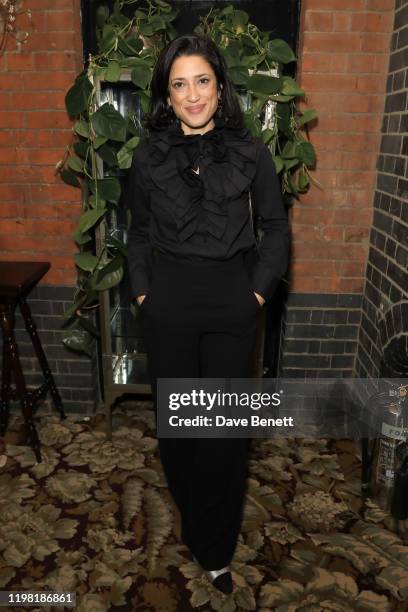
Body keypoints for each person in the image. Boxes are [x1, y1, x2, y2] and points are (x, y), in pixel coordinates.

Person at [125, 34, 289, 594]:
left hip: (231, 301)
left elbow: (274, 229)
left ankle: (213, 548)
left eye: (201, 81)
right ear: (166, 96)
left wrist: (258, 295)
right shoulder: (148, 157)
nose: (191, 95)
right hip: (168, 300)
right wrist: (146, 294)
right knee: (177, 431)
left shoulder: (252, 154)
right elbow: (139, 234)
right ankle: (197, 518)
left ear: (219, 87)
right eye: (178, 84)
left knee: (220, 433)